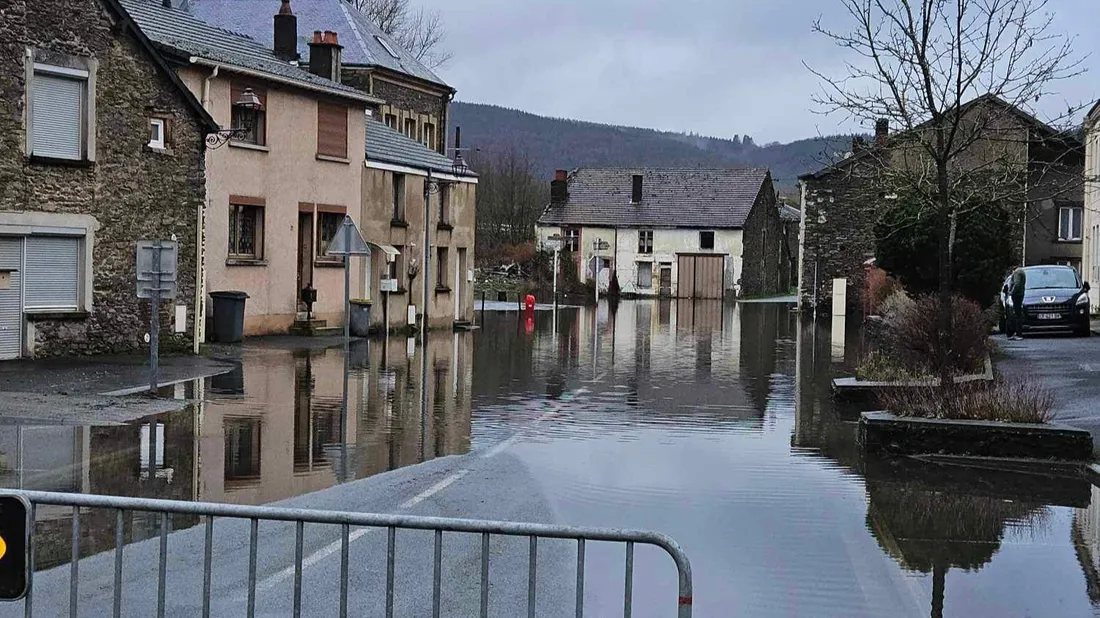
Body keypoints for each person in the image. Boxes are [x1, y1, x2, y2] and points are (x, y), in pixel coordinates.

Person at [1007, 269, 1027, 340]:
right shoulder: (1021, 271)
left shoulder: (1017, 273)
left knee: (1017, 314)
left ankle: (1018, 333)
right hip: (1020, 294)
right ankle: (1018, 333)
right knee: (1018, 314)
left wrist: (1011, 292)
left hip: (1017, 295)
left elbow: (1017, 284)